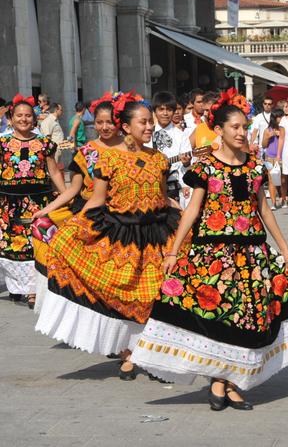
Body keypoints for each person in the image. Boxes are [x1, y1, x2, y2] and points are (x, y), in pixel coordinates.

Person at [130, 94, 288, 411]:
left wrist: (283, 245)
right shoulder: (206, 169)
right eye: (235, 127)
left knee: (246, 317)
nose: (242, 133)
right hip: (212, 254)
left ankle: (230, 381)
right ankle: (219, 379)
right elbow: (192, 211)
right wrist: (174, 251)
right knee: (216, 315)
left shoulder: (255, 167)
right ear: (219, 130)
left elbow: (264, 210)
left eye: (244, 127)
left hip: (251, 253)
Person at [35, 94, 181, 380]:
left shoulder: (159, 159)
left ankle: (149, 353)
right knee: (124, 294)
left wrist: (189, 216)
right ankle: (129, 352)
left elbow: (164, 199)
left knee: (155, 296)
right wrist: (70, 227)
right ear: (126, 127)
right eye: (143, 122)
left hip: (158, 234)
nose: (149, 127)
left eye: (150, 122)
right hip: (121, 235)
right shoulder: (108, 159)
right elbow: (95, 201)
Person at [31, 98, 124, 313]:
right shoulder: (87, 151)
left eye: (109, 122)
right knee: (45, 230)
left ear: (118, 122)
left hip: (121, 214)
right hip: (87, 212)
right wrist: (46, 210)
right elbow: (73, 190)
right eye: (99, 122)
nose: (104, 127)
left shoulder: (131, 147)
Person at [0, 94, 66, 308]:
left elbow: (54, 172)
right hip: (8, 203)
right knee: (10, 246)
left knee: (34, 245)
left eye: (28, 116)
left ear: (34, 119)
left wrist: (65, 196)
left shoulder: (45, 143)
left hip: (38, 202)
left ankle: (33, 291)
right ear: (11, 118)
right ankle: (16, 287)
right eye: (19, 115)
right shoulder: (2, 143)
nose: (24, 119)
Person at [147, 91, 192, 202]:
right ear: (155, 111)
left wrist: (186, 163)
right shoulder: (147, 133)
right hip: (148, 186)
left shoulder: (181, 135)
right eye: (161, 109)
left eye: (169, 110)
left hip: (172, 188)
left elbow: (186, 167)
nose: (165, 113)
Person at [261, 108, 286, 210]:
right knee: (272, 180)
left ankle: (283, 200)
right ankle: (273, 203)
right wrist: (268, 137)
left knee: (283, 180)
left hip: (283, 157)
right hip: (269, 157)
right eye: (278, 117)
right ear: (274, 118)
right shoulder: (268, 130)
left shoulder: (284, 129)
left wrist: (282, 136)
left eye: (281, 116)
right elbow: (263, 145)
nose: (280, 119)